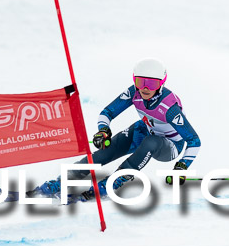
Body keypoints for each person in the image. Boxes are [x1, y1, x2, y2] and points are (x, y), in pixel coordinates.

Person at [33, 57, 201, 201]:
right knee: (107, 150)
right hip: (146, 130)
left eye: (152, 84)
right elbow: (107, 112)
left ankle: (112, 183)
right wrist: (103, 130)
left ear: (161, 84)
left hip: (169, 146)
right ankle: (63, 181)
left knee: (151, 142)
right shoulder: (133, 93)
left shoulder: (169, 107)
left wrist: (182, 166)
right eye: (140, 82)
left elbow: (194, 141)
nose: (145, 88)